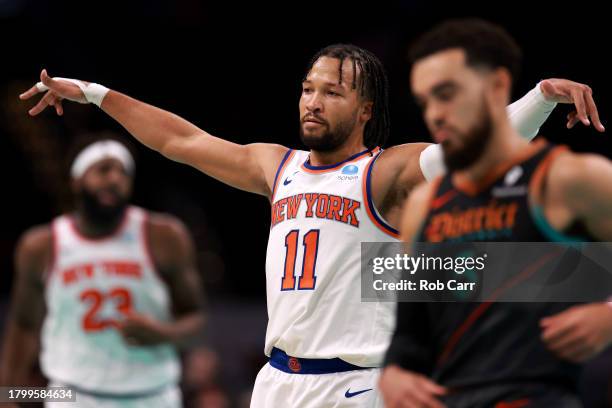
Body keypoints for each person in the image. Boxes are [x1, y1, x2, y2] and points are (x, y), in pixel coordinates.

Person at [17, 43, 602, 406]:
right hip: (277, 384)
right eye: (307, 89)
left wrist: (541, 99)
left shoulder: (385, 172)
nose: (312, 102)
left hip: (356, 386)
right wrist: (95, 94)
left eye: (332, 92)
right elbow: (181, 139)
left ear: (366, 110)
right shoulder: (278, 166)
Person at [379, 19, 612, 408]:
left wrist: (608, 317)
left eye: (447, 94)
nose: (435, 114)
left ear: (497, 87)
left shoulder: (567, 179)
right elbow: (410, 331)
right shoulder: (426, 204)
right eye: (426, 101)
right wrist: (395, 372)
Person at [0, 138, 205, 407]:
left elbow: (197, 321)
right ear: (76, 179)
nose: (115, 179)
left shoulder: (164, 236)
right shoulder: (41, 245)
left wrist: (162, 332)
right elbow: (24, 324)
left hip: (152, 395)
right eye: (104, 170)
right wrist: (7, 395)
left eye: (123, 172)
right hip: (70, 394)